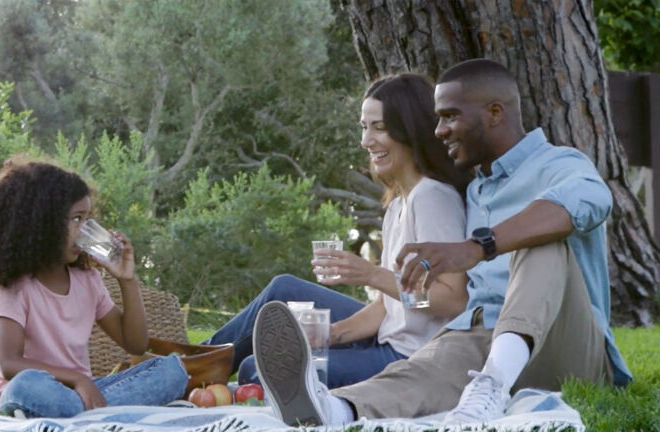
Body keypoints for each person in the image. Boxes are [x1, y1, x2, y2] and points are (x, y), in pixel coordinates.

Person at [252, 58, 632, 427]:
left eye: (450, 117)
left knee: (542, 240)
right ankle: (334, 411)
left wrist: (479, 246)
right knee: (422, 367)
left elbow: (591, 200)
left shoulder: (560, 164)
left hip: (567, 348)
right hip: (484, 339)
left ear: (495, 113)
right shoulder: (476, 189)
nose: (439, 131)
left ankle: (493, 385)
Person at [204, 73, 471, 389]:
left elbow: (453, 300)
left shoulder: (433, 198)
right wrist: (332, 334)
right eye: (364, 127)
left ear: (410, 131)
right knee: (283, 289)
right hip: (387, 342)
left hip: (411, 359)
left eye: (379, 128)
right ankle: (199, 362)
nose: (365, 141)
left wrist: (371, 276)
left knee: (257, 370)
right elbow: (390, 306)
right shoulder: (399, 203)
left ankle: (196, 368)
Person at [0, 157, 189, 418]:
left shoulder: (88, 280)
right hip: (38, 390)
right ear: (41, 224)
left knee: (172, 371)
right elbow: (9, 363)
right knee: (26, 388)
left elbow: (135, 344)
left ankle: (86, 416)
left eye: (88, 219)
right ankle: (101, 414)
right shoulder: (15, 286)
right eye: (77, 219)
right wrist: (78, 380)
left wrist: (127, 280)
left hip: (84, 393)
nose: (85, 230)